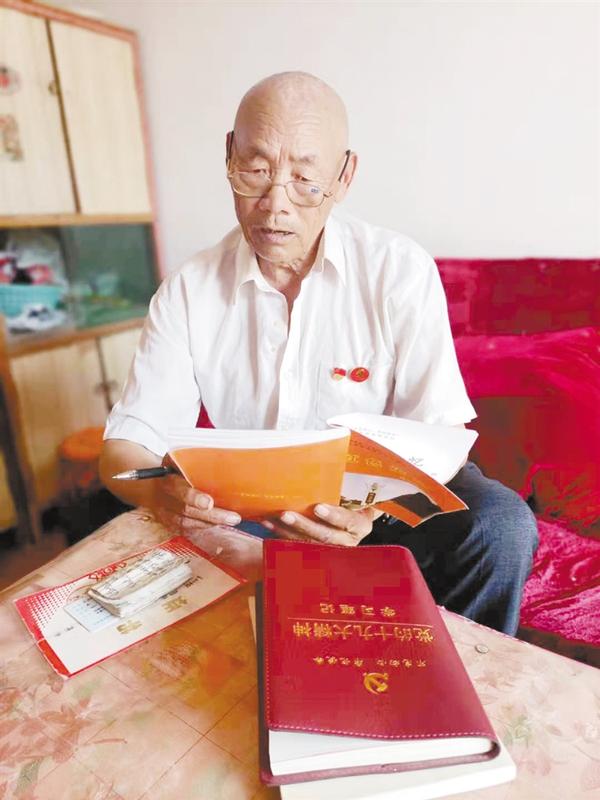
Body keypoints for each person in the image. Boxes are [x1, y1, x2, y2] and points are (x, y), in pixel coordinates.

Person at [100, 71, 538, 635]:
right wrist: (162, 493)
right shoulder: (189, 289)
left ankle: (460, 673)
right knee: (124, 534)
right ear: (229, 155)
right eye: (256, 171)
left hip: (383, 500)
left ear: (344, 175)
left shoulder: (398, 268)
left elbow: (439, 436)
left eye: (305, 179)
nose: (274, 205)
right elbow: (126, 446)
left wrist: (365, 512)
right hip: (257, 506)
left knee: (500, 525)